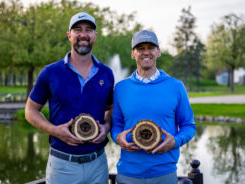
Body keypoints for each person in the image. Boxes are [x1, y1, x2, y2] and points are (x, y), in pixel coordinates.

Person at [25, 12, 114, 184]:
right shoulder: (50, 72)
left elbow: (109, 109)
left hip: (98, 165)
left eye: (88, 30)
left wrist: (107, 127)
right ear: (69, 35)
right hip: (63, 165)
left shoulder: (106, 74)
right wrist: (54, 130)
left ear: (95, 36)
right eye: (77, 29)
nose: (83, 35)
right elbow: (30, 110)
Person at [111, 30, 196, 184]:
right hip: (128, 175)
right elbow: (116, 124)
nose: (146, 52)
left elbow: (188, 126)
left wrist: (175, 142)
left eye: (150, 47)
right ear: (133, 54)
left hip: (164, 175)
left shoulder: (176, 86)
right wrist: (118, 137)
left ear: (158, 52)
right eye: (140, 48)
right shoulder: (121, 88)